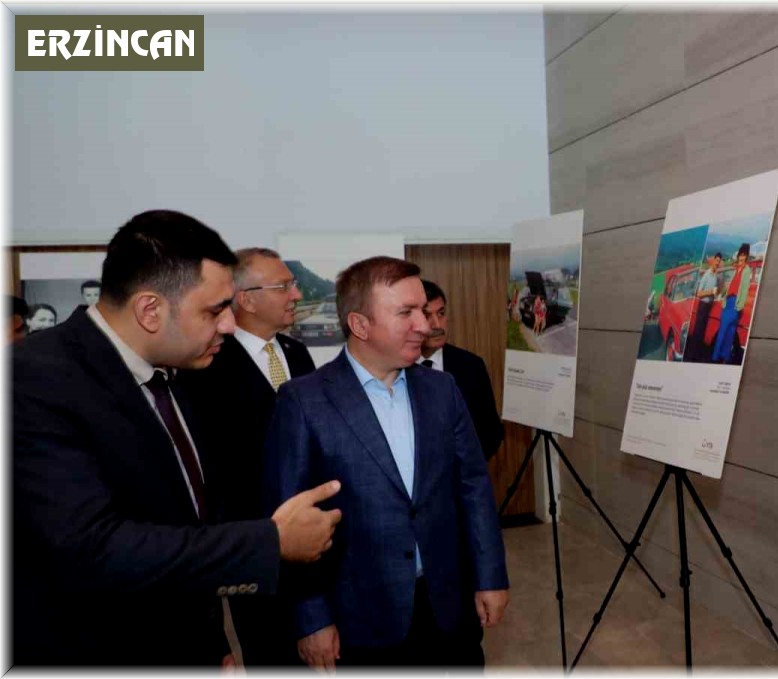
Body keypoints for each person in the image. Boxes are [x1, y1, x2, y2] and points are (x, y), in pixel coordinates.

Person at [11, 209, 343, 667]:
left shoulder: (175, 373)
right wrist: (271, 541)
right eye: (214, 310)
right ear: (150, 310)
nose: (229, 325)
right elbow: (91, 549)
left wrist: (210, 641)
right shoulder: (33, 379)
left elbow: (182, 522)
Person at [263, 256, 509, 670]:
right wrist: (312, 619)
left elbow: (474, 490)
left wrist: (490, 576)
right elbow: (289, 524)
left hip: (449, 609)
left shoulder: (442, 389)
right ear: (360, 325)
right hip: (361, 621)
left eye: (425, 310)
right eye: (406, 312)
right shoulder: (303, 402)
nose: (425, 325)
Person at [176, 247, 317, 667]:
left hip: (314, 533)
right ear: (246, 298)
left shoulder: (296, 353)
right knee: (272, 650)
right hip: (253, 542)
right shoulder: (205, 366)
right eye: (283, 286)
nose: (295, 294)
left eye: (293, 284)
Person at [419, 279, 505, 461]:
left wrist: (467, 471)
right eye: (427, 316)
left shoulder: (471, 365)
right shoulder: (396, 369)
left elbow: (492, 432)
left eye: (441, 313)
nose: (437, 325)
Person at [712, 243, 752, 364]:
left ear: (746, 257)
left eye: (744, 255)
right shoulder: (737, 269)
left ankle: (719, 358)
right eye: (741, 254)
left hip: (734, 304)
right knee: (727, 333)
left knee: (725, 333)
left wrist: (738, 307)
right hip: (728, 302)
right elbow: (730, 286)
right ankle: (722, 358)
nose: (741, 257)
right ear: (739, 255)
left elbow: (744, 289)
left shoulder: (746, 270)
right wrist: (723, 296)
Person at [685, 252, 722, 362]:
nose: (718, 263)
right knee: (698, 332)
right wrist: (711, 291)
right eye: (717, 260)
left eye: (719, 261)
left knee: (702, 331)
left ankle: (697, 356)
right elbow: (698, 293)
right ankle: (692, 357)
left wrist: (717, 292)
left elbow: (715, 292)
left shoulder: (716, 275)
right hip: (703, 306)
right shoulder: (707, 274)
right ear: (713, 260)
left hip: (709, 305)